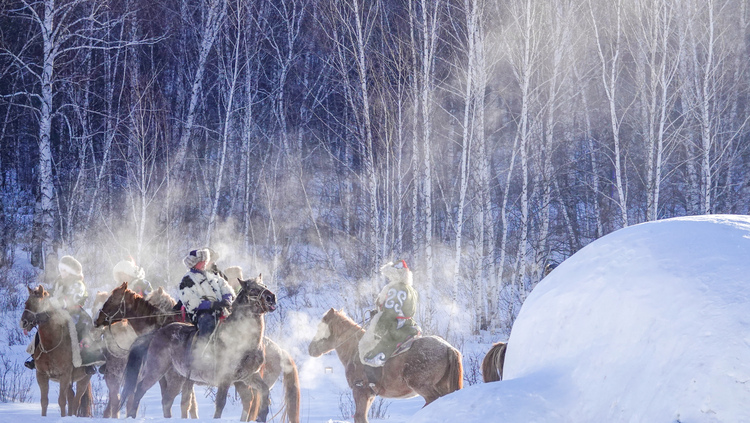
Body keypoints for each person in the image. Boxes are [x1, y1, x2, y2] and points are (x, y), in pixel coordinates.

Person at [25, 255, 105, 373]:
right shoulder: (59, 281)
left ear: (71, 271)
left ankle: (88, 361)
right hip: (57, 311)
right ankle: (35, 355)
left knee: (82, 331)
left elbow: (72, 298)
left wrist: (59, 302)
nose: (62, 272)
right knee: (43, 324)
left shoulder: (78, 284)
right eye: (61, 269)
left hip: (74, 312)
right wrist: (43, 297)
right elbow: (52, 293)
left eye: (64, 270)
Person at [358, 260, 421, 388]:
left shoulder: (394, 290)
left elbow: (389, 314)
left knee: (369, 356)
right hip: (409, 326)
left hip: (394, 328)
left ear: (396, 275)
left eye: (391, 275)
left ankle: (373, 385)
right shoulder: (411, 289)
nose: (389, 278)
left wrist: (377, 332)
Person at [178, 248, 236, 340]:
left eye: (206, 261)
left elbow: (225, 287)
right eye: (202, 261)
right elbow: (192, 303)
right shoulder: (187, 280)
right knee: (208, 324)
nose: (205, 263)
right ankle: (204, 351)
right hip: (202, 314)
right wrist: (212, 305)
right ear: (194, 263)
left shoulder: (212, 276)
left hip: (222, 310)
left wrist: (227, 299)